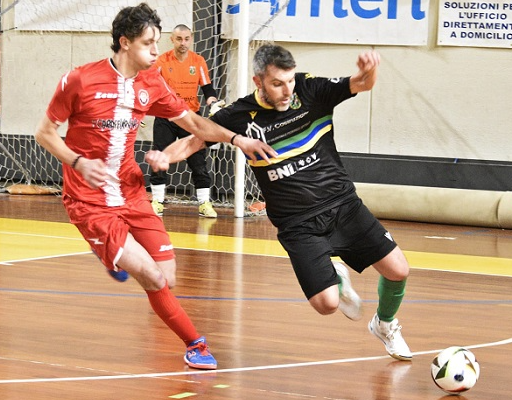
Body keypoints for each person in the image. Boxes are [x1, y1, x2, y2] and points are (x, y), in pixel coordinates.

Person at [34, 3, 276, 370]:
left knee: (168, 276)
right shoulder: (80, 80)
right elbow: (45, 133)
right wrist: (78, 162)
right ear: (125, 42)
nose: (155, 50)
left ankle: (112, 256)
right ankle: (195, 344)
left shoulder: (151, 83)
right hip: (89, 200)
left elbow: (195, 124)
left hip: (131, 192)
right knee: (151, 275)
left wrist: (236, 139)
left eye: (156, 42)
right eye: (148, 43)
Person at [146, 44, 413, 361]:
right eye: (277, 83)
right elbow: (194, 141)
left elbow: (362, 83)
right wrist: (165, 157)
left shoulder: (310, 90)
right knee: (326, 305)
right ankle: (336, 280)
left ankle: (384, 324)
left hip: (343, 205)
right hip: (297, 223)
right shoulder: (238, 115)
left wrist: (370, 70)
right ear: (258, 81)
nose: (287, 91)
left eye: (289, 81)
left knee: (398, 269)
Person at [149, 24, 223, 218]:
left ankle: (204, 203)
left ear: (191, 39)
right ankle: (157, 201)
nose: (183, 43)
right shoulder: (161, 61)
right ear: (172, 40)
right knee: (160, 156)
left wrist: (213, 103)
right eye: (179, 39)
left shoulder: (198, 61)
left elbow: (207, 88)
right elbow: (149, 86)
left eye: (187, 39)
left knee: (198, 160)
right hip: (166, 116)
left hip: (190, 117)